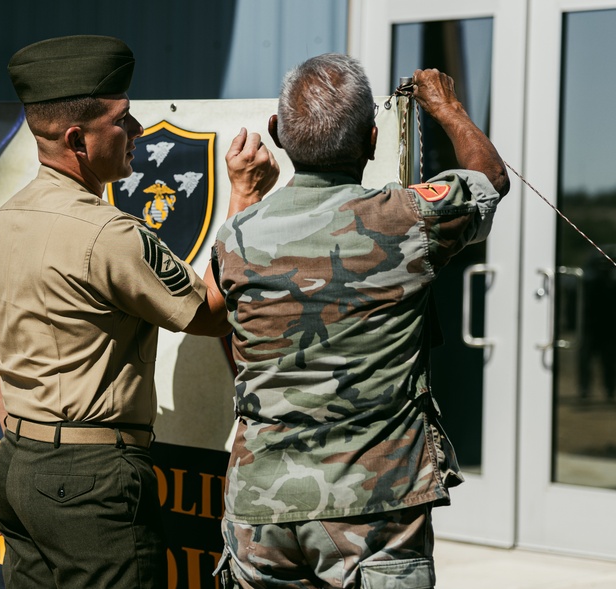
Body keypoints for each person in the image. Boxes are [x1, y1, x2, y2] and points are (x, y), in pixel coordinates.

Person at [0, 35, 278, 589]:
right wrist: (244, 200)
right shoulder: (108, 234)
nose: (136, 131)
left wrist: (28, 466)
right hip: (90, 480)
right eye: (122, 119)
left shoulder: (2, 221)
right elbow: (211, 312)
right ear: (77, 140)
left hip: (18, 460)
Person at [212, 54, 510, 588]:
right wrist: (447, 106)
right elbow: (487, 178)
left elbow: (230, 341)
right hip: (374, 509)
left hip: (259, 509)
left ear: (278, 133)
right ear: (372, 140)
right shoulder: (405, 217)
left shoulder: (236, 236)